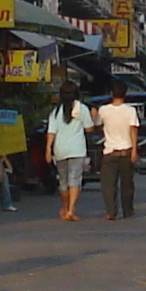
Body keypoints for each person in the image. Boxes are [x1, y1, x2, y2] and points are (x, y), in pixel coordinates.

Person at [44, 88, 94, 222]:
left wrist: (48, 149)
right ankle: (71, 210)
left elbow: (51, 132)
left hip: (60, 149)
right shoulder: (82, 109)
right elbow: (89, 128)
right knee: (75, 180)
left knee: (63, 181)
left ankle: (65, 207)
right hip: (77, 149)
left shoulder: (55, 112)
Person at [94, 91, 142, 220]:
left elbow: (98, 125)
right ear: (124, 94)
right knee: (127, 183)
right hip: (126, 150)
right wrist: (134, 151)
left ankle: (111, 211)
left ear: (111, 94)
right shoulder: (130, 111)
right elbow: (133, 131)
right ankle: (128, 210)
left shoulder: (103, 110)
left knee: (108, 183)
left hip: (109, 151)